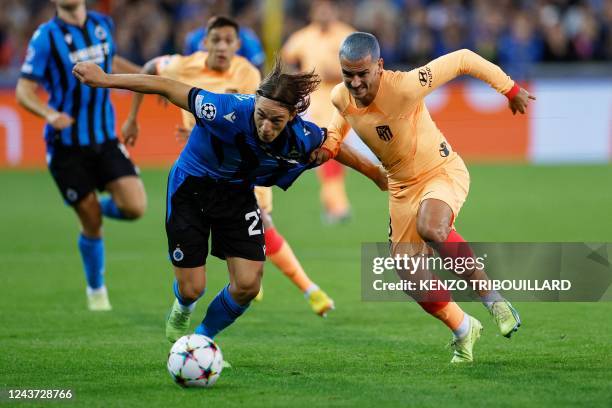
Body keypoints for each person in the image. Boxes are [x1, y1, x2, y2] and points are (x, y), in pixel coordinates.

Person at [72, 58, 386, 346]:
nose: (265, 126)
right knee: (192, 288)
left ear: (292, 116)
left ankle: (200, 340)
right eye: (261, 115)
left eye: (276, 120)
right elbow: (166, 86)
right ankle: (183, 306)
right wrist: (105, 79)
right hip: (190, 190)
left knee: (248, 285)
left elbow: (334, 146)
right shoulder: (225, 109)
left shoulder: (300, 136)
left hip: (236, 195)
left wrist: (374, 173)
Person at [312, 32, 535, 363]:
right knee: (410, 274)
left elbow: (463, 58)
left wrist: (510, 90)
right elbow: (334, 135)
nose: (356, 83)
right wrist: (324, 150)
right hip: (401, 189)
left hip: (440, 172)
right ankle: (463, 329)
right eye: (349, 75)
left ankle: (493, 300)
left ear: (380, 66)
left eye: (363, 73)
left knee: (432, 227)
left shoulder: (405, 86)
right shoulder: (339, 97)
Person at [121, 16, 335, 317]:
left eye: (228, 41)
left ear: (238, 45)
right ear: (204, 42)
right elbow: (152, 73)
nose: (222, 47)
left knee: (264, 223)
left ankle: (302, 289)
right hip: (202, 164)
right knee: (219, 250)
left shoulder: (246, 72)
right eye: (216, 40)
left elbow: (251, 113)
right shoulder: (182, 65)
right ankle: (300, 289)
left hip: (246, 164)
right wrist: (132, 117)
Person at [16, 0, 146, 311]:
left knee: (135, 206)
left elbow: (111, 63)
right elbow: (23, 89)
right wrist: (49, 114)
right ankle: (96, 290)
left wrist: (147, 77)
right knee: (91, 223)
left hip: (104, 138)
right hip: (67, 145)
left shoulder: (103, 25)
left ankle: (90, 205)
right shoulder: (45, 37)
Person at [282, 0, 355, 224]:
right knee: (326, 153)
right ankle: (337, 207)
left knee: (330, 154)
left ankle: (334, 207)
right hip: (312, 106)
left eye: (327, 8)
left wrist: (338, 72)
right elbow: (285, 61)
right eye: (319, 9)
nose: (323, 13)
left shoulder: (347, 35)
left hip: (342, 102)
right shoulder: (302, 37)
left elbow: (361, 68)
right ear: (313, 13)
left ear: (334, 10)